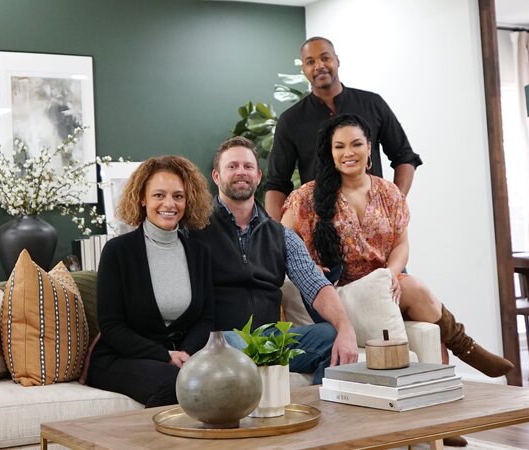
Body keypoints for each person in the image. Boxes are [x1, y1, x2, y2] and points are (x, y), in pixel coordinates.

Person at [281, 113, 514, 380]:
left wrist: (391, 272)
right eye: (339, 146)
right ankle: (466, 347)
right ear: (330, 152)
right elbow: (282, 245)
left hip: (382, 284)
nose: (349, 152)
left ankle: (440, 394)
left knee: (428, 326)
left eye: (356, 144)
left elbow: (402, 243)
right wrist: (312, 269)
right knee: (414, 287)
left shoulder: (388, 192)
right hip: (338, 293)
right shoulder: (306, 197)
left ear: (369, 147)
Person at [192, 136, 359, 384]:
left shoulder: (281, 235)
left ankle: (323, 415)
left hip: (269, 339)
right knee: (234, 343)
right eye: (232, 166)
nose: (241, 172)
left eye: (248, 167)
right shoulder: (196, 230)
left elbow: (316, 285)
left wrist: (345, 328)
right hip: (220, 339)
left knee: (330, 336)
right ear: (216, 177)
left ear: (258, 176)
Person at [87, 155, 214, 407]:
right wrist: (165, 355)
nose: (169, 203)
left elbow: (206, 318)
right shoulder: (117, 251)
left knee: (223, 380)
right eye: (159, 195)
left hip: (180, 357)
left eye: (178, 196)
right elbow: (112, 327)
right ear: (142, 199)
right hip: (119, 359)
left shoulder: (199, 253)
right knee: (175, 383)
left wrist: (186, 354)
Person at [264, 36, 423, 221]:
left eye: (325, 58)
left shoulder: (373, 104)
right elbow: (277, 183)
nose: (319, 66)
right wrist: (277, 238)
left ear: (337, 60)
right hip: (320, 226)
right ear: (304, 69)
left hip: (373, 222)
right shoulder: (291, 120)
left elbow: (404, 157)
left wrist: (396, 203)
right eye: (310, 62)